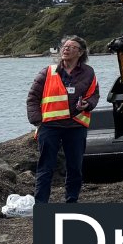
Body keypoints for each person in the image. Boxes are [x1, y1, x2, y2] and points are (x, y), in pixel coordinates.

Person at [26, 35, 99, 204]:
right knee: (46, 167)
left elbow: (94, 94)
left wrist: (88, 104)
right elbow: (33, 98)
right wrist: (38, 122)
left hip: (76, 125)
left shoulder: (89, 72)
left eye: (71, 47)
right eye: (64, 46)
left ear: (80, 52)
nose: (66, 49)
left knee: (75, 167)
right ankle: (41, 204)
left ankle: (71, 201)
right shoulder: (47, 71)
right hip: (50, 126)